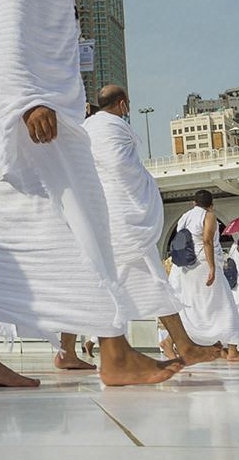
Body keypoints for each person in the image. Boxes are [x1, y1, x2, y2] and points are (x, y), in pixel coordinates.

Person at [0, 0, 174, 389]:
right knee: (86, 217)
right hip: (33, 111)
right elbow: (6, 37)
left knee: (22, 227)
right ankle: (115, 355)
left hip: (48, 108)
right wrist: (30, 100)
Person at [84, 85, 216, 364]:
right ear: (122, 105)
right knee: (140, 282)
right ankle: (170, 348)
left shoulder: (89, 126)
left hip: (104, 216)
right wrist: (142, 188)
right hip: (123, 217)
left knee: (111, 282)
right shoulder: (114, 126)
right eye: (128, 104)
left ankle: (73, 349)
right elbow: (121, 169)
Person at [169, 191, 239, 357]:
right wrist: (212, 267)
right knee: (226, 305)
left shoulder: (184, 217)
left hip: (186, 267)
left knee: (194, 307)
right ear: (211, 205)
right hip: (202, 264)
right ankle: (233, 351)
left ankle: (171, 340)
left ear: (193, 203)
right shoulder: (209, 216)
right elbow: (207, 240)